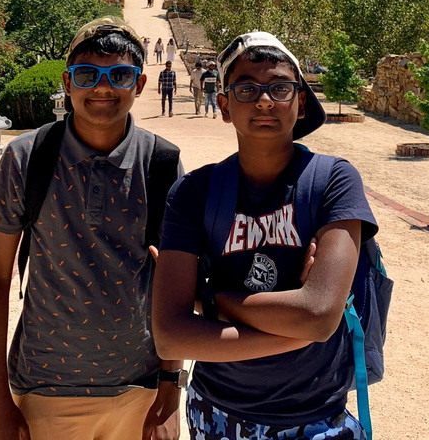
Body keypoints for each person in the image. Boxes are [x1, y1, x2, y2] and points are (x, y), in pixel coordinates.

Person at [152, 31, 377, 440]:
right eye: (246, 88)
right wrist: (297, 326)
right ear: (223, 105)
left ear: (301, 100)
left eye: (279, 87)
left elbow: (319, 314)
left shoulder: (333, 181)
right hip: (217, 412)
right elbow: (169, 336)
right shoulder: (193, 193)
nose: (264, 100)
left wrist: (213, 300)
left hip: (314, 416)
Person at [0, 16, 185, 440]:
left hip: (138, 390)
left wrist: (170, 392)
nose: (103, 88)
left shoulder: (161, 163)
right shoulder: (26, 158)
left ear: (140, 85)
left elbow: (174, 286)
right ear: (67, 83)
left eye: (120, 75)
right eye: (88, 74)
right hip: (45, 388)